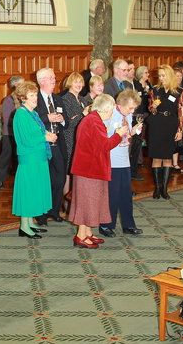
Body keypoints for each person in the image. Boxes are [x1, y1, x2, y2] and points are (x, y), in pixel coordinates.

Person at [68, 94, 128, 249]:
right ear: (106, 108)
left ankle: (87, 232)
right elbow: (105, 146)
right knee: (87, 203)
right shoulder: (93, 122)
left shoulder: (93, 120)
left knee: (92, 202)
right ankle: (80, 236)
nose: (112, 113)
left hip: (91, 168)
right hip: (89, 170)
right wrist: (118, 135)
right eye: (112, 109)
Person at [12, 81, 56, 238]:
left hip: (38, 157)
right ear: (23, 98)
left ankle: (30, 223)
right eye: (31, 95)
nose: (35, 98)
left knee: (35, 191)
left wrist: (47, 135)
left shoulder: (33, 113)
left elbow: (38, 133)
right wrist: (45, 138)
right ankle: (24, 227)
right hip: (30, 158)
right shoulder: (21, 114)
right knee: (28, 192)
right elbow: (27, 139)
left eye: (35, 94)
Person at [98, 90, 142, 238]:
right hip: (111, 160)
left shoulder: (127, 115)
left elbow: (126, 136)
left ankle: (128, 225)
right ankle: (106, 225)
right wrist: (117, 133)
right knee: (112, 195)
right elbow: (103, 136)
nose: (132, 111)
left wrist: (133, 131)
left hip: (124, 159)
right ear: (121, 104)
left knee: (126, 194)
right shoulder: (110, 114)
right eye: (130, 108)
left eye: (134, 108)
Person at [33, 68, 67, 225]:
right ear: (41, 81)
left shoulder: (58, 99)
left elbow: (66, 122)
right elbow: (31, 119)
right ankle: (41, 214)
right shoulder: (35, 98)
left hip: (58, 143)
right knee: (43, 180)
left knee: (59, 179)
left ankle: (54, 211)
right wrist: (47, 118)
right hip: (42, 144)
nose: (54, 80)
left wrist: (62, 119)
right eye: (50, 78)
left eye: (54, 77)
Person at [147, 64, 183, 200]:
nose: (161, 78)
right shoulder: (155, 90)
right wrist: (153, 106)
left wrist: (180, 129)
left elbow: (181, 112)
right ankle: (157, 188)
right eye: (160, 76)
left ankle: (165, 189)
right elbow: (151, 109)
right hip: (156, 124)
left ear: (170, 76)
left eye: (163, 76)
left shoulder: (178, 91)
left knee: (168, 158)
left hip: (171, 124)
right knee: (156, 157)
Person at [0, 75, 24, 189]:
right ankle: (0, 179)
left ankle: (19, 179)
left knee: (19, 156)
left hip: (21, 134)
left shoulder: (23, 98)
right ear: (16, 85)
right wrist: (21, 122)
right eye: (22, 82)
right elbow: (6, 119)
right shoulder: (8, 100)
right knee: (5, 156)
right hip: (9, 133)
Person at [59, 72, 88, 180]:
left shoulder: (83, 99)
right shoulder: (65, 99)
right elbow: (68, 123)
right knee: (69, 169)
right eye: (76, 82)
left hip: (82, 137)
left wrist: (78, 116)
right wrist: (82, 115)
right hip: (70, 138)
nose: (79, 84)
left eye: (80, 82)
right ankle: (67, 191)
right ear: (70, 83)